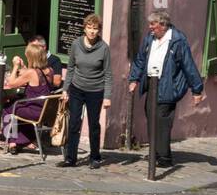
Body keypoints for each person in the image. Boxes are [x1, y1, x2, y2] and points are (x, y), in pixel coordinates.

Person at [128, 9, 204, 169]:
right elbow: (140, 59)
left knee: (162, 121)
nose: (150, 27)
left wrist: (196, 90)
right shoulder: (150, 39)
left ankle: (164, 157)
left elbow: (188, 65)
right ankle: (155, 151)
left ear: (163, 25)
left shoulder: (177, 40)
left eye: (153, 25)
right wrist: (134, 79)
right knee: (151, 118)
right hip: (151, 83)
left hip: (168, 85)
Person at [60, 14, 113, 170]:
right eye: (89, 28)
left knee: (93, 124)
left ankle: (95, 157)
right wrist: (65, 89)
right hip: (77, 88)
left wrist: (107, 96)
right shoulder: (76, 44)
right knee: (74, 122)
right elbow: (70, 68)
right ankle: (71, 158)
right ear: (84, 29)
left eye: (95, 28)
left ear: (99, 31)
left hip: (95, 90)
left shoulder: (103, 48)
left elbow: (108, 73)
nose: (92, 31)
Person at [1, 41, 58, 154]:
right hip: (45, 111)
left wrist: (15, 66)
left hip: (34, 111)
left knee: (7, 108)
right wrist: (23, 67)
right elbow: (33, 77)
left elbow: (11, 83)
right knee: (17, 103)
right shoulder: (49, 70)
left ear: (31, 57)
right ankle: (25, 140)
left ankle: (12, 141)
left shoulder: (32, 72)